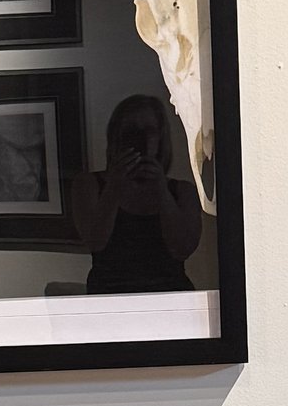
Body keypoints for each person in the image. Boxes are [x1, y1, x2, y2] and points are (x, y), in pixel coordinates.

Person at [69, 91, 203, 292]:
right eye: (130, 131)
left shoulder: (182, 191)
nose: (141, 138)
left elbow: (182, 249)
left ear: (160, 137)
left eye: (149, 130)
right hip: (110, 299)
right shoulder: (88, 184)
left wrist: (162, 192)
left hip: (171, 298)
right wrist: (114, 186)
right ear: (117, 137)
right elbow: (95, 241)